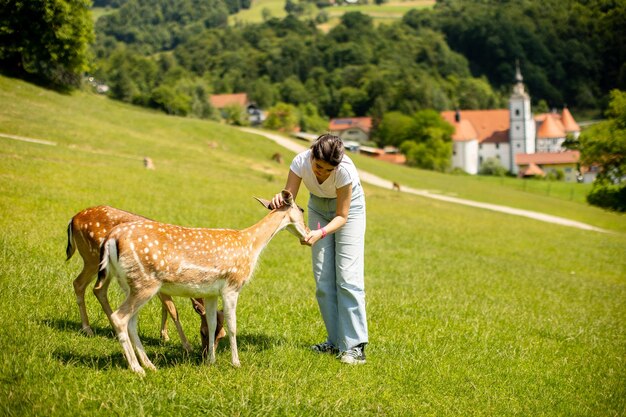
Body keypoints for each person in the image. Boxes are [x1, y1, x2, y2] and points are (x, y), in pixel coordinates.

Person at [270, 134, 368, 365]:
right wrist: (278, 200)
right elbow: (289, 199)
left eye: (327, 170)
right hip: (317, 207)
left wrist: (320, 233)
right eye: (318, 166)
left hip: (348, 212)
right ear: (312, 155)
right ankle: (335, 343)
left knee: (347, 277)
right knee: (323, 280)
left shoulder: (345, 171)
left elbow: (342, 216)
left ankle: (355, 346)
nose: (321, 173)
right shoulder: (300, 161)